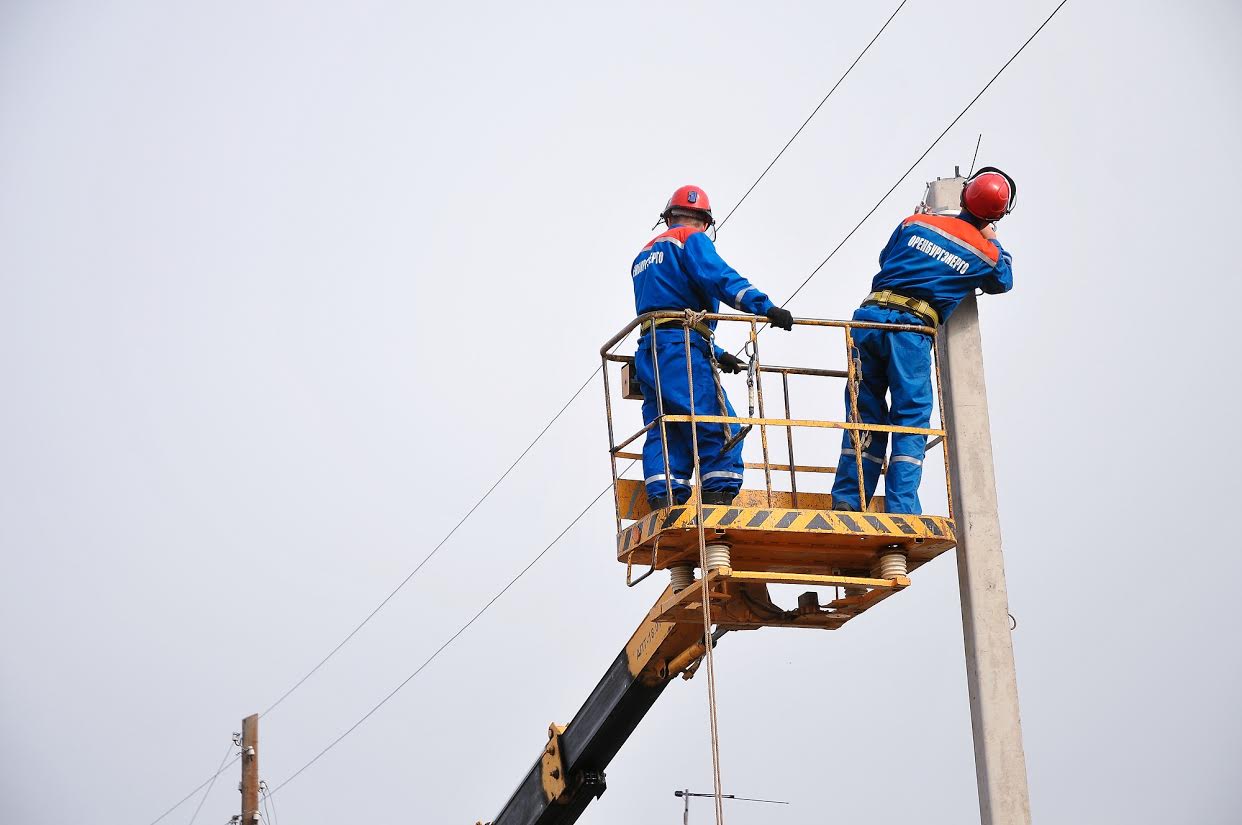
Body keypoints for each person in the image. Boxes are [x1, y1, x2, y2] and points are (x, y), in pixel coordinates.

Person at [830, 167, 1017, 514]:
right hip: (910, 332)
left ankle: (848, 500)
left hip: (868, 320)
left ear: (964, 197)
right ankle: (900, 507)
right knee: (910, 418)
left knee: (863, 412)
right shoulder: (985, 252)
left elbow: (887, 259)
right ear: (997, 215)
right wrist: (991, 237)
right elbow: (1003, 279)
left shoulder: (914, 223)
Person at [632, 185, 794, 510]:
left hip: (651, 350)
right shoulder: (691, 240)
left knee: (668, 425)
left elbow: (669, 314)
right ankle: (718, 495)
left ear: (668, 217)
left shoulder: (644, 256)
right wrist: (766, 307)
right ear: (705, 222)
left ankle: (665, 496)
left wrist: (718, 355)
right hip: (681, 347)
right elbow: (720, 279)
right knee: (720, 425)